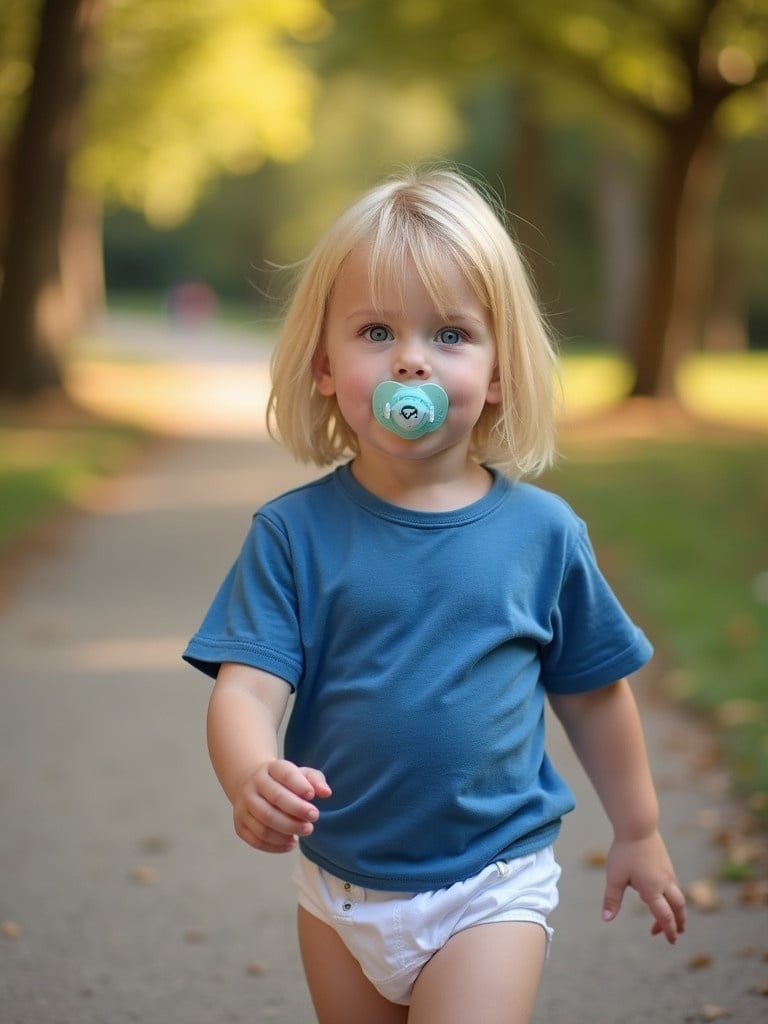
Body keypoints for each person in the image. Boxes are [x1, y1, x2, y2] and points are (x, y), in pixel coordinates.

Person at [183, 166, 686, 1024]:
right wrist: (249, 774)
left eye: (450, 334)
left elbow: (595, 693)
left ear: (498, 372)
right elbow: (248, 688)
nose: (411, 357)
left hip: (492, 883)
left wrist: (637, 829)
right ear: (325, 367)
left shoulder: (542, 534)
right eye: (377, 330)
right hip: (340, 889)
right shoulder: (293, 534)